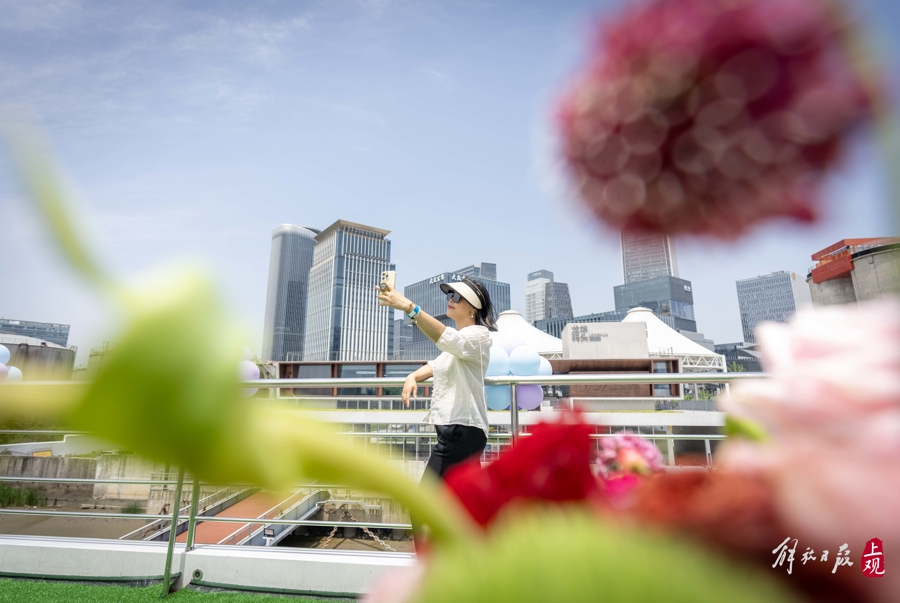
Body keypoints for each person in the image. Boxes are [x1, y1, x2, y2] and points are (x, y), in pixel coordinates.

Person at [376, 277, 497, 480]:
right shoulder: (459, 346)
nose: (450, 299)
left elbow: (447, 338)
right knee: (458, 502)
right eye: (449, 295)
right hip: (459, 432)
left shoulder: (478, 336)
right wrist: (412, 375)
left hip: (461, 431)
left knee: (425, 504)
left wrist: (410, 308)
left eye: (457, 296)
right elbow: (435, 365)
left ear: (473, 308)